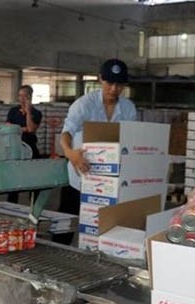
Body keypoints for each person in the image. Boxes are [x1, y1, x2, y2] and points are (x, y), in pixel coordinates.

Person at [58, 58, 138, 217]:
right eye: (109, 83)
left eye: (119, 84)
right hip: (80, 174)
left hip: (109, 179)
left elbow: (131, 138)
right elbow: (67, 132)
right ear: (100, 78)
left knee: (99, 223)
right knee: (67, 221)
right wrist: (70, 153)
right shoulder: (84, 104)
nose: (114, 89)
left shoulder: (128, 108)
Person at [6, 85, 43, 203]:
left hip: (30, 148)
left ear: (30, 97)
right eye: (20, 96)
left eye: (24, 96)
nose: (21, 98)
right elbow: (8, 128)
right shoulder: (13, 111)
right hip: (15, 147)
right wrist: (23, 128)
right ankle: (11, 204)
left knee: (34, 177)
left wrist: (28, 112)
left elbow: (31, 128)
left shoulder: (36, 113)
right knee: (14, 177)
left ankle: (34, 204)